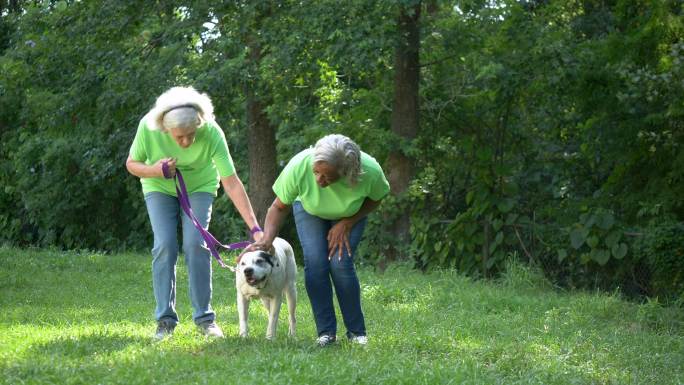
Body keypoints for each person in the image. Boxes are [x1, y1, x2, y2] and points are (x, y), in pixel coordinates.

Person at [126, 86, 263, 340]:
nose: (187, 142)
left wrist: (255, 229)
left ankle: (205, 319)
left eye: (191, 134)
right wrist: (156, 170)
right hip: (159, 185)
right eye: (180, 138)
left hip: (200, 186)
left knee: (195, 243)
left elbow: (231, 182)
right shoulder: (148, 126)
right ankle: (165, 320)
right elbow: (132, 164)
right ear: (165, 129)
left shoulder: (211, 131)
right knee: (165, 244)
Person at [246, 134, 390, 346]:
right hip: (309, 209)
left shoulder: (369, 171)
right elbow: (278, 207)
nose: (318, 180)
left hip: (349, 214)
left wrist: (348, 222)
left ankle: (357, 333)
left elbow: (376, 199)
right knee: (316, 263)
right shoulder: (300, 165)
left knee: (340, 265)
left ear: (346, 172)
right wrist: (268, 238)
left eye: (327, 177)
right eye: (316, 172)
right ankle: (326, 333)